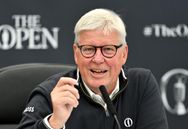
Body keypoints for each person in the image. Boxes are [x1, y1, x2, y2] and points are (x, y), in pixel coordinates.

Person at [16, 8, 168, 129]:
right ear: (76, 53)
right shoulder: (51, 92)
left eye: (108, 49)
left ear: (124, 54)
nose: (97, 59)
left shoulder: (141, 84)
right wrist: (54, 123)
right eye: (89, 49)